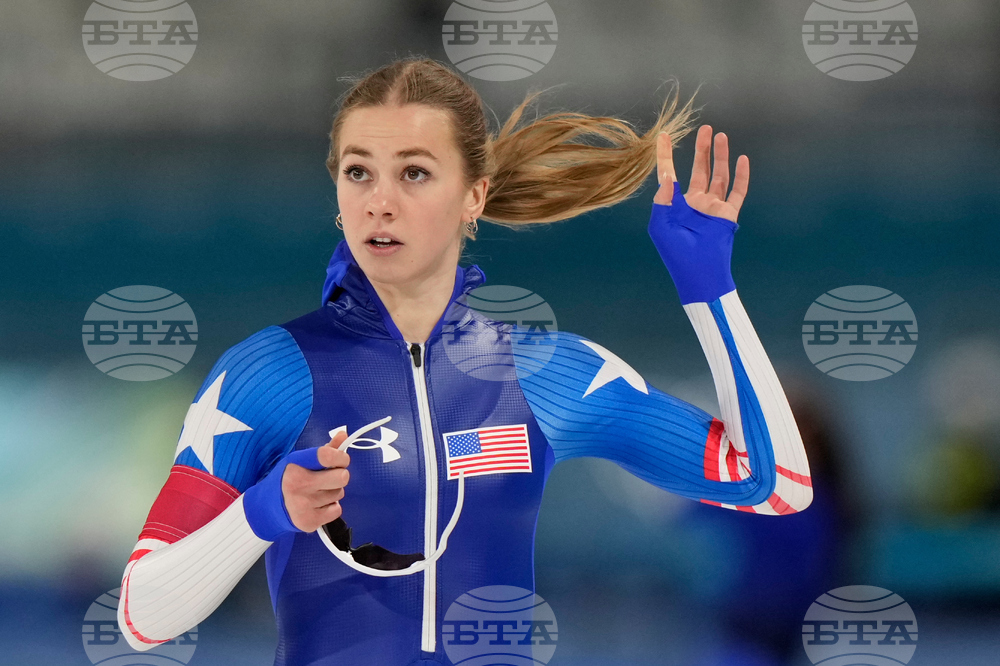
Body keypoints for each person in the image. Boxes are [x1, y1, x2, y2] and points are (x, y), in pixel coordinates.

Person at [116, 57, 812, 666]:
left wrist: (709, 288)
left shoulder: (544, 374)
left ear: (473, 195)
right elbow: (142, 617)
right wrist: (267, 509)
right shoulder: (270, 373)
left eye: (414, 173)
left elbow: (776, 485)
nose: (380, 203)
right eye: (359, 172)